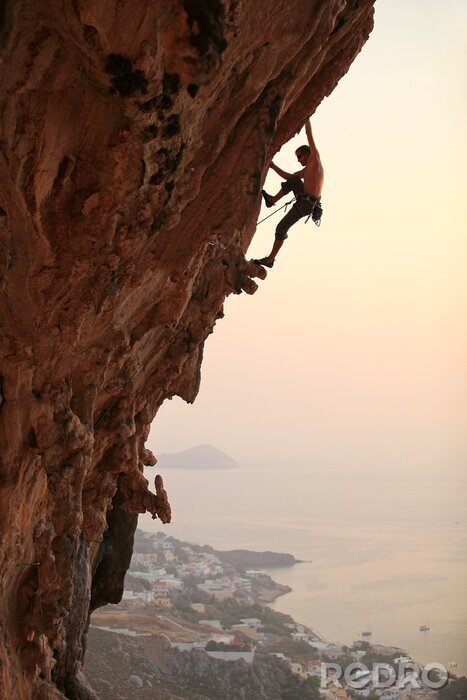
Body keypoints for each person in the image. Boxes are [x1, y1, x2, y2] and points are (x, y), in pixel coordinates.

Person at [254, 118, 324, 268]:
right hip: (305, 201)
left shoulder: (315, 160)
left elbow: (309, 133)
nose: (298, 160)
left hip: (307, 204)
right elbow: (289, 177)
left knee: (280, 228)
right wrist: (272, 166)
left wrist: (307, 115)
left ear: (307, 154)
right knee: (293, 180)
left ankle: (270, 259)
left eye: (300, 156)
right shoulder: (307, 170)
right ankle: (271, 200)